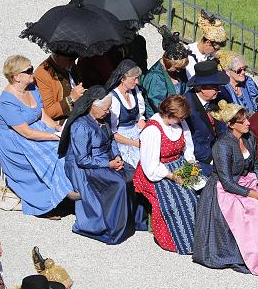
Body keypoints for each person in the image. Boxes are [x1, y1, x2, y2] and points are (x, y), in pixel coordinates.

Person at [193, 101, 258, 276]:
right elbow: (227, 182)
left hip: (247, 181)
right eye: (242, 121)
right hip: (226, 189)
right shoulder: (222, 146)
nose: (248, 123)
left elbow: (256, 166)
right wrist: (256, 196)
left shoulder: (249, 137)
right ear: (230, 125)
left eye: (247, 119)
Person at [59, 87, 146, 245]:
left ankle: (134, 221)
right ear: (93, 106)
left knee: (134, 175)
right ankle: (116, 227)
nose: (108, 112)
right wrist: (108, 163)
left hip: (107, 159)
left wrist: (117, 156)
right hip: (88, 166)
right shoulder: (80, 126)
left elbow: (111, 140)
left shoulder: (102, 119)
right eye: (106, 109)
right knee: (119, 184)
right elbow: (82, 159)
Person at [0, 55, 77, 217]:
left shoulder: (32, 88)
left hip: (35, 130)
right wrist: (54, 137)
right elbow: (26, 132)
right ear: (17, 77)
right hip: (17, 140)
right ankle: (46, 205)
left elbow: (42, 114)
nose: (33, 72)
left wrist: (57, 128)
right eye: (29, 70)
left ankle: (64, 190)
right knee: (53, 155)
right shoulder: (6, 102)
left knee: (65, 148)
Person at [134, 95, 198, 254]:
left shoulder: (180, 123)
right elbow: (151, 166)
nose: (181, 120)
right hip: (157, 172)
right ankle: (181, 241)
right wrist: (173, 176)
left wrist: (190, 166)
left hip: (178, 165)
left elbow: (188, 148)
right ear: (168, 114)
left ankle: (202, 237)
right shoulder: (152, 130)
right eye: (178, 117)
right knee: (182, 199)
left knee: (200, 190)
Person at [183, 59, 230, 177]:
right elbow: (190, 140)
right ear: (200, 88)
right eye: (214, 87)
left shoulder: (218, 98)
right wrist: (213, 159)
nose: (218, 90)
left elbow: (224, 128)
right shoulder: (187, 107)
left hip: (220, 151)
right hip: (201, 159)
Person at [141, 26, 190, 118]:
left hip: (178, 116)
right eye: (176, 68)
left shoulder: (177, 71)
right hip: (163, 118)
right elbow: (160, 105)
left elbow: (187, 90)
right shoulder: (154, 77)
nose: (179, 70)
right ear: (168, 63)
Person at [105, 60, 146, 168]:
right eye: (134, 79)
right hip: (122, 138)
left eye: (138, 78)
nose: (137, 82)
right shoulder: (113, 98)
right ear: (123, 78)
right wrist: (134, 143)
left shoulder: (135, 91)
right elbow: (113, 133)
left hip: (137, 132)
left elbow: (139, 119)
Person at [33, 52, 85, 122]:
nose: (73, 63)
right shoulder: (43, 74)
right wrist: (71, 99)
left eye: (74, 59)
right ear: (57, 55)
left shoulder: (71, 67)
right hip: (59, 123)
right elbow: (47, 112)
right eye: (70, 60)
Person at [185, 10, 227, 79]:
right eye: (216, 49)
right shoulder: (190, 56)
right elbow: (194, 81)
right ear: (208, 42)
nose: (215, 52)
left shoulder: (209, 52)